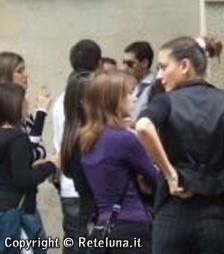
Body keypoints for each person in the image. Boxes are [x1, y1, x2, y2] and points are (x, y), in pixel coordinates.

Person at [136, 35, 224, 254]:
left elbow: (142, 126)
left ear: (184, 65)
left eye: (163, 67)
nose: (159, 76)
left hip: (173, 214)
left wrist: (170, 174)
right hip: (221, 215)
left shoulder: (165, 101)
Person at [80, 71, 158, 254]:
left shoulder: (87, 139)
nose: (135, 97)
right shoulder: (124, 139)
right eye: (129, 93)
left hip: (103, 226)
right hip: (132, 225)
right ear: (113, 99)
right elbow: (155, 179)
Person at [53, 39, 102, 254]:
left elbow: (58, 142)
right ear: (99, 64)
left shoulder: (61, 100)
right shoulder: (97, 98)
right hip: (94, 185)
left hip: (69, 183)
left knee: (74, 243)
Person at [0, 83, 59, 253]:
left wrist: (42, 111)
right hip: (12, 210)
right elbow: (23, 179)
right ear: (15, 104)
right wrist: (51, 165)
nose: (27, 104)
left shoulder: (8, 137)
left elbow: (29, 146)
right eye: (24, 99)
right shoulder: (17, 138)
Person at [0, 51, 51, 160]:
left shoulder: (21, 106)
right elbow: (26, 154)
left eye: (25, 69)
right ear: (5, 76)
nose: (26, 75)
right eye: (19, 71)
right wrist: (41, 112)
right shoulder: (5, 110)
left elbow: (40, 149)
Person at [123, 41, 156, 121]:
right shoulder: (133, 85)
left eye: (130, 64)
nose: (125, 68)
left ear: (145, 63)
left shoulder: (156, 86)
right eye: (124, 63)